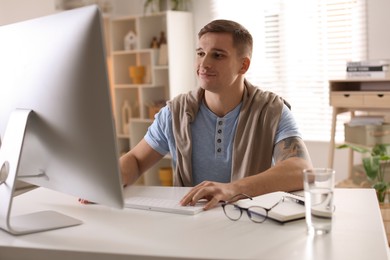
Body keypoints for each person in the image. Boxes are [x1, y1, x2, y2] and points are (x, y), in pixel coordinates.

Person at [119, 19, 312, 210]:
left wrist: (232, 189)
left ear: (243, 66)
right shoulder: (174, 113)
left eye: (217, 55)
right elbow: (135, 160)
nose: (204, 63)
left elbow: (300, 169)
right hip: (191, 225)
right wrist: (108, 181)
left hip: (252, 223)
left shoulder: (272, 110)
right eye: (201, 53)